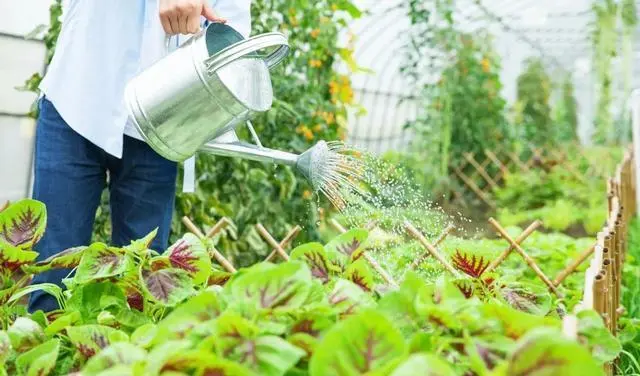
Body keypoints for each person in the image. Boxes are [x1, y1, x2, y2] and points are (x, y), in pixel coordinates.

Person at [29, 0, 251, 313]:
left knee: (141, 292)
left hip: (160, 124)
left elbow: (234, 39)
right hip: (77, 98)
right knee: (51, 278)